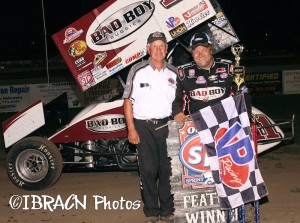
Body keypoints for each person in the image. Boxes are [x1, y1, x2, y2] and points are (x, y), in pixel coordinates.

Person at [122, 32, 177, 223]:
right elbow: (127, 101)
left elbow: (180, 103)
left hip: (168, 126)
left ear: (167, 49)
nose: (159, 49)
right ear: (148, 49)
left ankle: (168, 211)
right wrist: (131, 128)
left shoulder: (174, 72)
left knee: (168, 170)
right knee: (148, 171)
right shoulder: (137, 70)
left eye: (162, 46)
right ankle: (152, 212)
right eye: (155, 46)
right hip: (144, 127)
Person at [172, 32, 251, 123]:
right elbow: (175, 99)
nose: (200, 54)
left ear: (211, 49)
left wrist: (246, 116)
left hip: (225, 124)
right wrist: (177, 112)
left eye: (204, 50)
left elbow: (243, 94)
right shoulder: (183, 72)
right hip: (198, 125)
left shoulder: (229, 67)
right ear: (192, 53)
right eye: (196, 51)